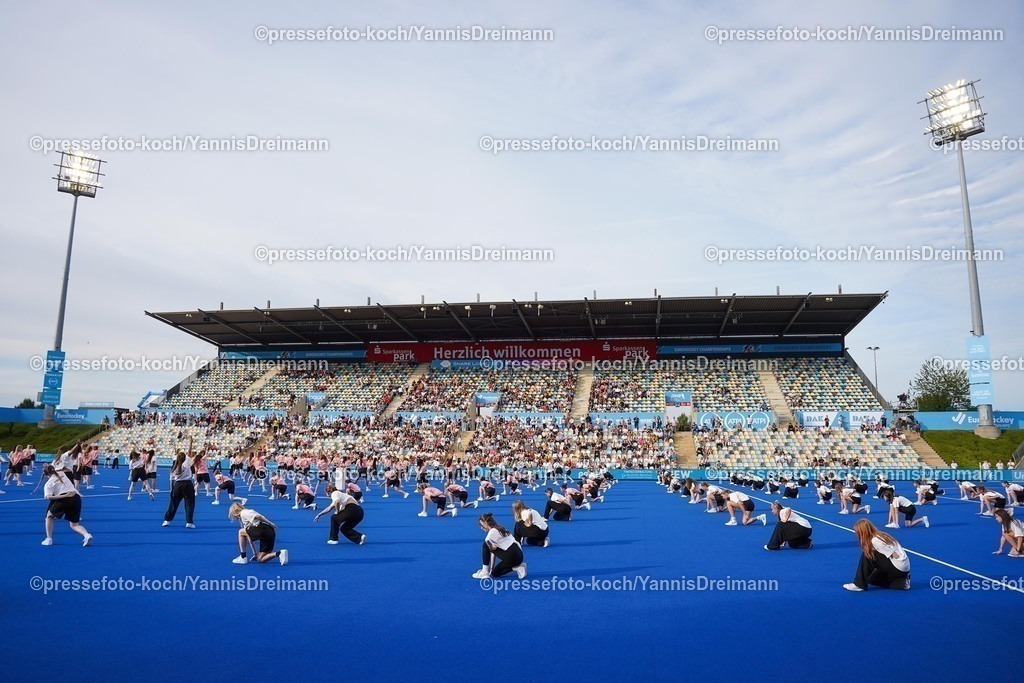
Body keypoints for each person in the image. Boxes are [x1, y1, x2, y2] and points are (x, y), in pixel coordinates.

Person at [843, 519, 910, 592]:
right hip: (904, 567)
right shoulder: (881, 534)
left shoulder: (876, 541)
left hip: (899, 566)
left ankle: (859, 585)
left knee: (867, 554)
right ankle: (901, 584)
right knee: (871, 579)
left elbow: (895, 555)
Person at [42, 465, 93, 547]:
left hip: (65, 498)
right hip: (76, 497)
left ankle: (49, 539)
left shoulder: (48, 484)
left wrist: (65, 496)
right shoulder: (61, 473)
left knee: (49, 516)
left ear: (45, 474)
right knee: (74, 525)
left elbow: (48, 497)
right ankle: (86, 535)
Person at [472, 513, 527, 580]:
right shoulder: (501, 528)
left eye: (481, 525)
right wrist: (492, 567)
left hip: (512, 556)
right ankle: (518, 567)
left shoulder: (491, 533)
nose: (481, 527)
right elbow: (492, 551)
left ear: (486, 523)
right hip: (519, 556)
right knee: (495, 573)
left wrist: (486, 570)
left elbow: (491, 549)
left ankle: (484, 571)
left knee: (485, 545)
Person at [162, 445, 198, 528]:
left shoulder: (174, 468)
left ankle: (167, 520)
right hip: (188, 484)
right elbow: (189, 452)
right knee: (189, 504)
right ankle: (189, 522)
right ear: (185, 458)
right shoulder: (186, 463)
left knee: (173, 503)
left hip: (177, 485)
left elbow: (172, 479)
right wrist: (190, 442)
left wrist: (172, 489)